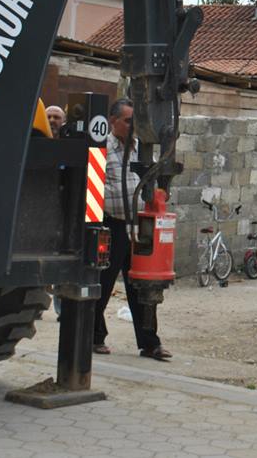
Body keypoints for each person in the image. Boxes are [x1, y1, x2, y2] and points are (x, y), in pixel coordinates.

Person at [93, 98, 172, 361]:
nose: (133, 126)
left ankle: (150, 343)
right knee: (102, 283)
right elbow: (93, 186)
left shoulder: (143, 150)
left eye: (136, 120)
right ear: (113, 121)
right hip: (112, 225)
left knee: (143, 286)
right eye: (128, 121)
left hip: (140, 226)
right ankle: (94, 336)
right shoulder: (101, 148)